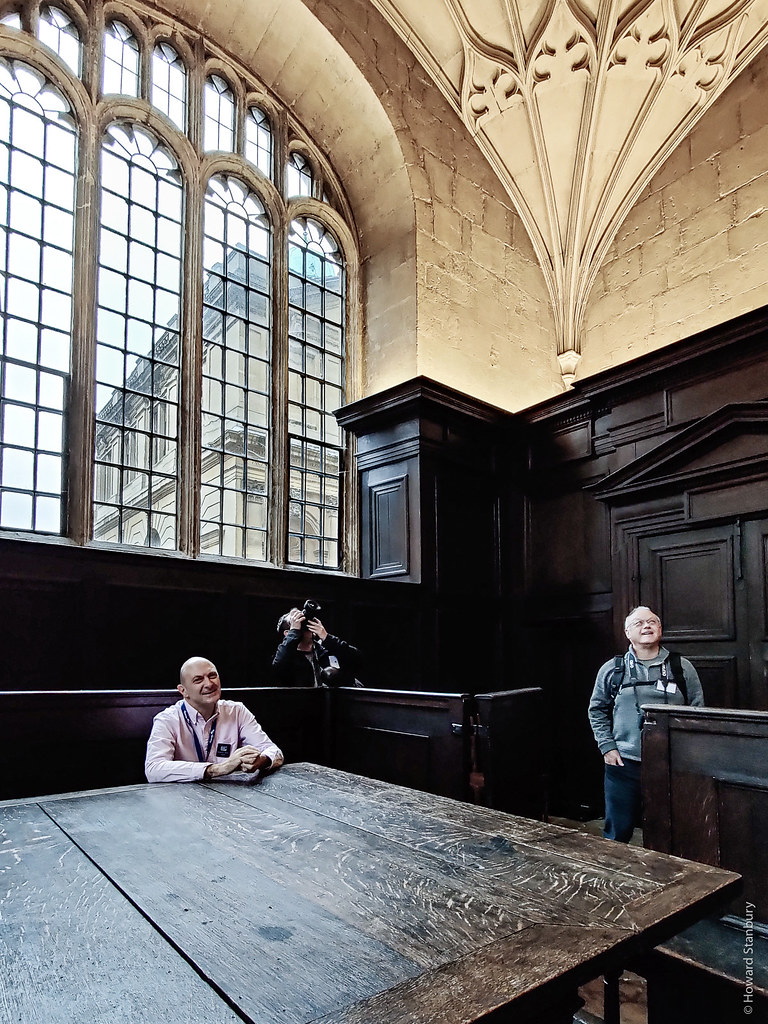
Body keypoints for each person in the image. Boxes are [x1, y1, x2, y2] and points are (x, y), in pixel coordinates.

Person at [588, 606, 704, 842]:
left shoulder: (681, 667)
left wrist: (690, 753)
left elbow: (698, 711)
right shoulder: (613, 669)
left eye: (652, 622)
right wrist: (607, 747)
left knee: (672, 831)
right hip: (624, 762)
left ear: (660, 629)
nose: (646, 626)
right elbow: (597, 710)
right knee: (617, 833)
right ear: (627, 632)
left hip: (673, 762)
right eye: (639, 623)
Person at [145, 656, 283, 783]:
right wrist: (216, 769)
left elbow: (273, 751)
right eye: (198, 680)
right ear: (183, 691)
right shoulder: (167, 720)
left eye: (212, 676)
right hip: (181, 797)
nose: (209, 684)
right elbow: (153, 769)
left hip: (229, 795)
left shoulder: (237, 711)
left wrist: (260, 760)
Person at [271, 605, 362, 687]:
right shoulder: (286, 655)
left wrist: (327, 638)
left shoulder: (325, 649)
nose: (304, 622)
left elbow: (357, 658)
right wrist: (294, 631)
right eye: (296, 620)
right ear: (288, 633)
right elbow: (279, 667)